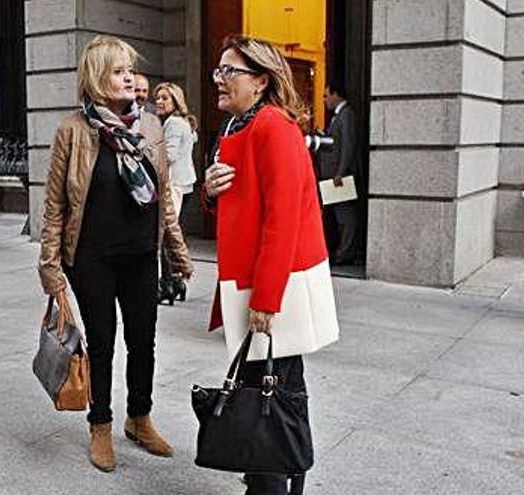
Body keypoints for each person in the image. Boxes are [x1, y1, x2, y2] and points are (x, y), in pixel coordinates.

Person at [38, 35, 194, 473]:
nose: (131, 78)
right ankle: (100, 424)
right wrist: (50, 267)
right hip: (92, 257)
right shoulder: (73, 130)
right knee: (102, 344)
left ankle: (139, 418)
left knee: (143, 341)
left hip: (142, 255)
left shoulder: (151, 128)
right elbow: (55, 205)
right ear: (96, 78)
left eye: (131, 70)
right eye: (119, 70)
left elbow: (163, 197)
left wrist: (177, 253)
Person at [203, 35, 339, 495]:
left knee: (275, 390)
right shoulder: (238, 127)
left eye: (229, 72)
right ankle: (269, 478)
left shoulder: (273, 127)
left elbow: (284, 220)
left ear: (260, 81)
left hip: (273, 283)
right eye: (218, 71)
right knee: (270, 386)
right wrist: (210, 190)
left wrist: (266, 298)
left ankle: (271, 483)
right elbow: (237, 208)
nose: (219, 80)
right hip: (251, 278)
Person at [153, 82, 198, 305]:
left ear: (175, 101)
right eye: (158, 97)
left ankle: (169, 284)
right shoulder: (183, 123)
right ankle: (176, 283)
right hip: (184, 183)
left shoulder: (173, 123)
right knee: (172, 236)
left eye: (165, 98)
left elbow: (168, 156)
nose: (159, 101)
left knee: (166, 238)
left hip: (174, 185)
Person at [320, 84, 359, 265]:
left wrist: (340, 173)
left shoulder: (346, 115)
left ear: (336, 94)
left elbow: (348, 145)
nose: (324, 100)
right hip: (333, 175)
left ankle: (345, 253)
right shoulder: (338, 115)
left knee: (345, 216)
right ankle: (341, 251)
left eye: (326, 96)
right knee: (338, 215)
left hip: (339, 176)